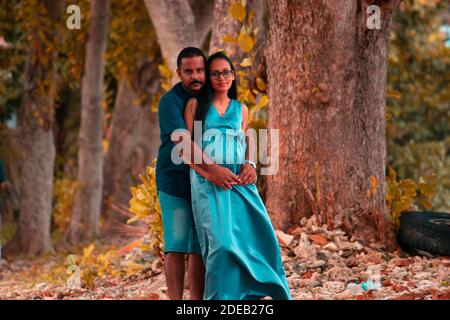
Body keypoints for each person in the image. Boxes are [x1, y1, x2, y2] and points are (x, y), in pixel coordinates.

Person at [182, 52, 292, 300]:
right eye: (216, 73)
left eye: (227, 72)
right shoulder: (195, 106)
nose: (222, 77)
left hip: (239, 184)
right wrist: (211, 173)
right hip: (207, 185)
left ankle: (254, 294)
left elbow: (247, 138)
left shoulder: (241, 109)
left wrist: (251, 163)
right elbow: (187, 150)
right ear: (208, 77)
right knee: (221, 245)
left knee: (261, 238)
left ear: (233, 76)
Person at [156, 47, 247, 300]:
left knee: (199, 246)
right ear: (179, 73)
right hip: (175, 181)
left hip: (205, 185)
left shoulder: (210, 100)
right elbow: (183, 145)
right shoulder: (170, 102)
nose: (195, 76)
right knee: (175, 245)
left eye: (199, 70)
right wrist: (213, 170)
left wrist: (245, 163)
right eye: (188, 72)